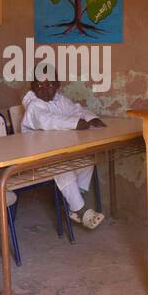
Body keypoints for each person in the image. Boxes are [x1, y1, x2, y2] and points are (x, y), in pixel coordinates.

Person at [21, 71, 106, 229]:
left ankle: (75, 198)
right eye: (39, 86)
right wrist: (75, 123)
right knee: (62, 169)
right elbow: (49, 120)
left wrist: (90, 118)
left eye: (49, 85)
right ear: (33, 87)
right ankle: (79, 209)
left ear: (57, 85)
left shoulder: (60, 100)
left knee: (88, 160)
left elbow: (76, 110)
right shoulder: (34, 106)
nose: (44, 90)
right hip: (38, 156)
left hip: (60, 150)